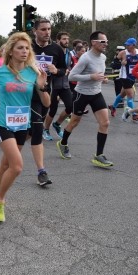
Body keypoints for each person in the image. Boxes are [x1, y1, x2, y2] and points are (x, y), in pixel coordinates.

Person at [0, 32, 50, 222]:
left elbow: (46, 103)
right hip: (2, 123)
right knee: (17, 166)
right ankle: (0, 200)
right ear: (11, 51)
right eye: (20, 48)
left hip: (21, 125)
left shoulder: (33, 72)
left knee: (6, 164)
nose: (24, 51)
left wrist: (42, 87)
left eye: (27, 48)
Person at [56, 31, 113, 167]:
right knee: (74, 122)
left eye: (106, 41)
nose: (106, 44)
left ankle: (99, 155)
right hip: (81, 94)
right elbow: (72, 76)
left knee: (105, 123)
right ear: (94, 42)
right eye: (103, 41)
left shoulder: (103, 57)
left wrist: (102, 79)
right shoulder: (86, 58)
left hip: (96, 93)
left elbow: (98, 75)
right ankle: (63, 143)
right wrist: (91, 77)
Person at [29, 19, 65, 186]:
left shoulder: (57, 49)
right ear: (35, 31)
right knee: (37, 129)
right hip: (24, 95)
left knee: (30, 131)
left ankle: (13, 152)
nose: (47, 32)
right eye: (43, 29)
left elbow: (64, 70)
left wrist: (56, 70)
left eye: (49, 29)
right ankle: (41, 171)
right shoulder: (26, 46)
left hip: (44, 94)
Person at [42, 31, 73, 141]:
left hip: (65, 84)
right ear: (58, 40)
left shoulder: (70, 54)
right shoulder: (52, 52)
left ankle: (57, 124)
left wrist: (69, 71)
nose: (66, 41)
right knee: (53, 109)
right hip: (54, 85)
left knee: (70, 107)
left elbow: (70, 66)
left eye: (67, 39)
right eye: (64, 39)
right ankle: (45, 129)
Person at [110, 38, 138, 122]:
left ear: (134, 45)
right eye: (126, 45)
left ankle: (113, 107)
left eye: (128, 45)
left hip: (133, 77)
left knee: (122, 94)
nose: (127, 46)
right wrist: (121, 63)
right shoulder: (123, 53)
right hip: (124, 77)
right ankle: (133, 114)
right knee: (130, 95)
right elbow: (113, 64)